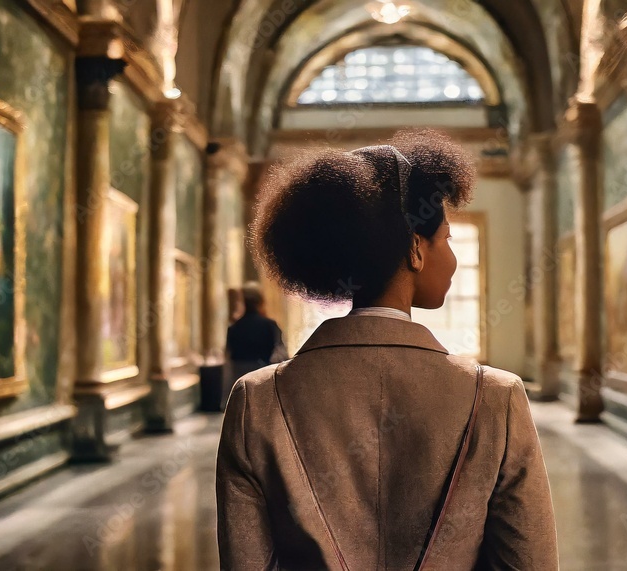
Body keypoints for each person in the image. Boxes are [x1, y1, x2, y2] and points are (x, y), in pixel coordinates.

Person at [216, 130, 557, 569]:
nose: (451, 258)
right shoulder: (496, 397)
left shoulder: (256, 401)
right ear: (416, 248)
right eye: (447, 239)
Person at [224, 281, 286, 402]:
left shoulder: (234, 327)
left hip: (239, 379)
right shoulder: (270, 325)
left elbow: (228, 360)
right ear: (261, 300)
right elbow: (281, 354)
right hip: (264, 377)